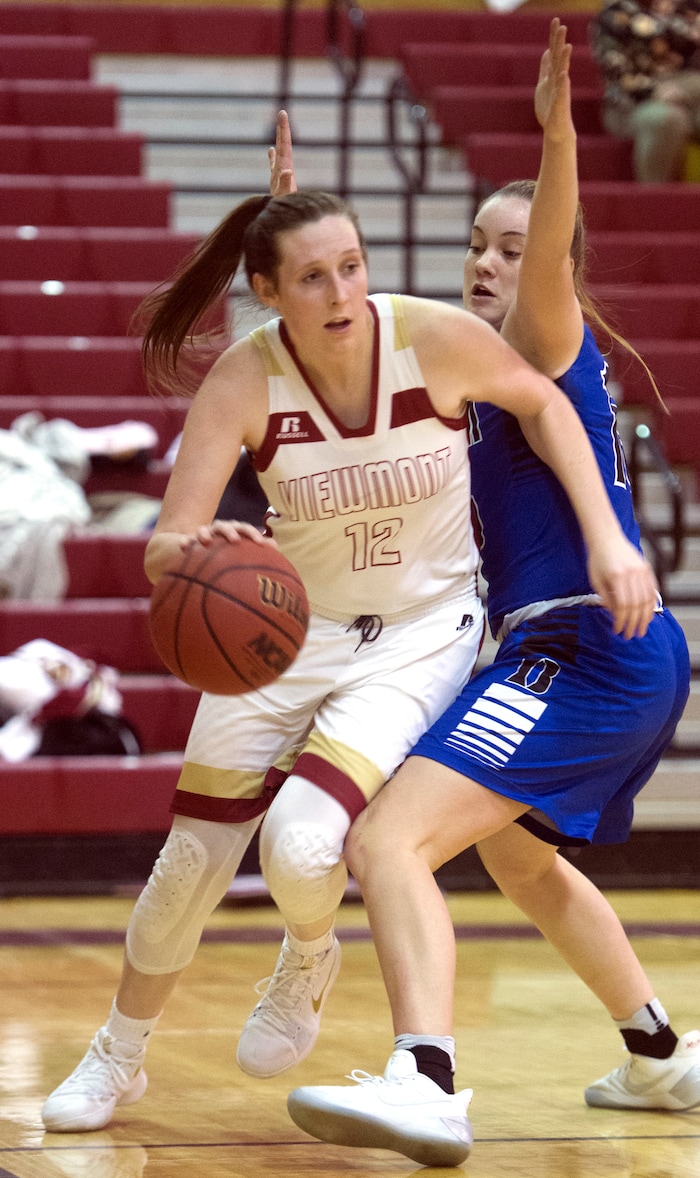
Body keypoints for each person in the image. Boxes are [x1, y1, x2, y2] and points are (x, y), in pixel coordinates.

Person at [39, 132, 659, 1134]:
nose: (339, 292)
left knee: (305, 842)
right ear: (271, 290)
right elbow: (163, 546)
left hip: (420, 628)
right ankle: (118, 1054)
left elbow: (548, 395)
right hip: (286, 628)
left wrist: (603, 536)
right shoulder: (244, 380)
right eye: (314, 275)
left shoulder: (432, 337)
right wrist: (200, 547)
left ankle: (306, 954)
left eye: (352, 266)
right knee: (189, 864)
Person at [285, 20, 696, 1169]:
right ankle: (658, 1050)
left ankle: (426, 1075)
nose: (486, 263)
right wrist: (283, 244)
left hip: (582, 646)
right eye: (477, 244)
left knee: (390, 839)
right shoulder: (473, 375)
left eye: (510, 247)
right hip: (580, 647)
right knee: (519, 858)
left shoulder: (546, 339)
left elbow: (556, 254)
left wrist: (558, 134)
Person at [590, 0, 700, 181]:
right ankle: (655, 203)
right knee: (666, 119)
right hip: (634, 103)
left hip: (691, 93)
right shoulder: (616, 13)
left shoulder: (689, 8)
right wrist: (655, 90)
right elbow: (618, 75)